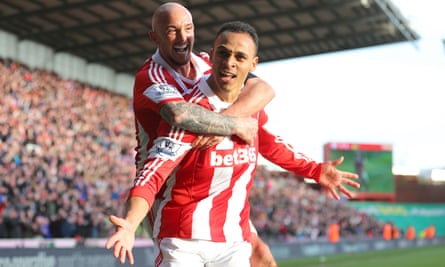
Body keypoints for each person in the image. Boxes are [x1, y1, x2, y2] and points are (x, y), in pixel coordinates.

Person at [106, 20, 359, 266]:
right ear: (211, 56)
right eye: (224, 54)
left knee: (264, 259)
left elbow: (271, 144)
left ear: (253, 64)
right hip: (182, 238)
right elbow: (153, 174)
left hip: (232, 239)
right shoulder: (192, 114)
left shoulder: (250, 107)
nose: (229, 63)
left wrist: (315, 170)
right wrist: (130, 223)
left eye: (239, 57)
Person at [129, 2, 277, 266]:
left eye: (188, 28)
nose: (183, 37)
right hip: (170, 191)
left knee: (262, 257)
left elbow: (264, 89)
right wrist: (233, 126)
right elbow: (181, 115)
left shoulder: (207, 61)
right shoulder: (151, 76)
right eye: (172, 31)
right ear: (155, 37)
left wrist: (223, 122)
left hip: (211, 187)